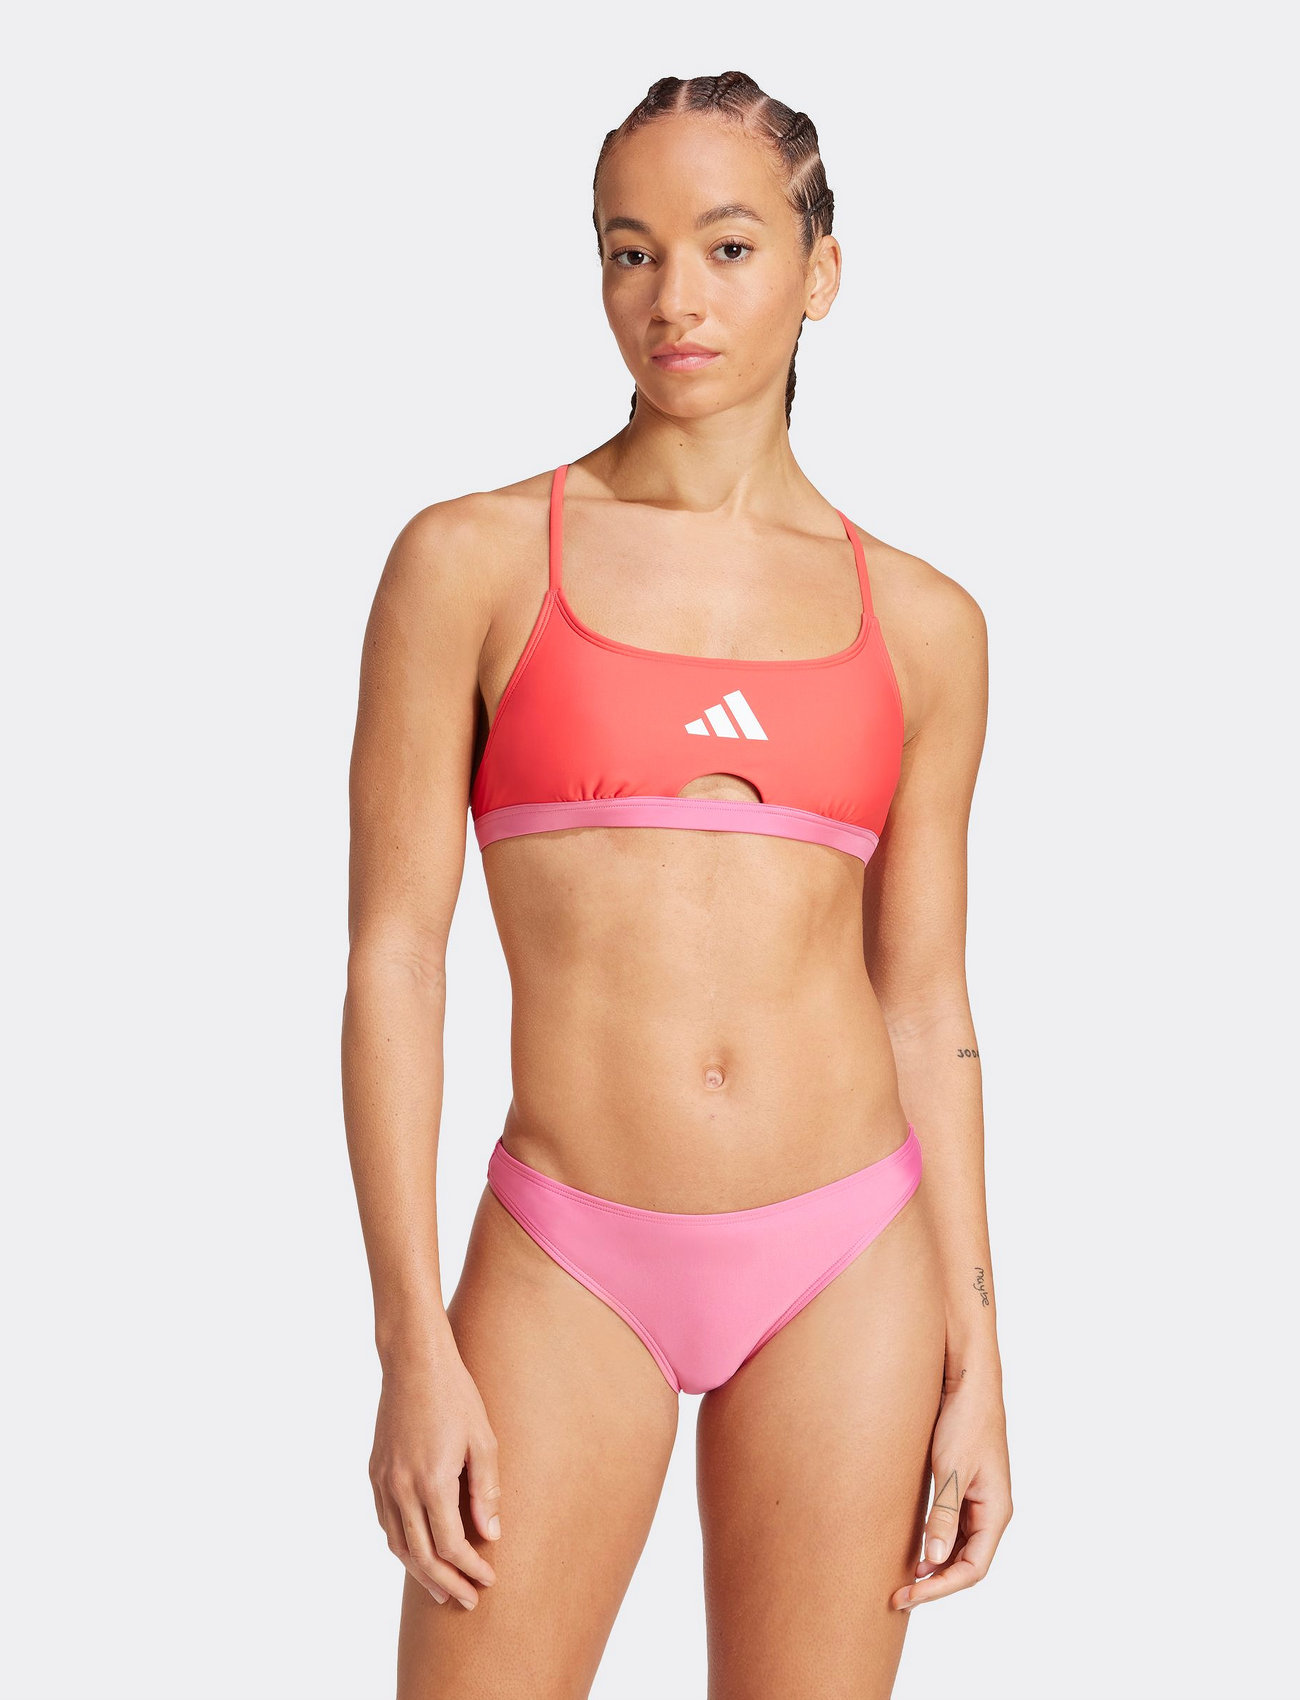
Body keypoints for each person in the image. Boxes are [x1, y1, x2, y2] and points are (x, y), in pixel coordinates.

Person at [342, 69, 1012, 1700]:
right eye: (629, 251)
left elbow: (925, 999)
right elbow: (396, 961)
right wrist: (410, 1342)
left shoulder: (926, 624)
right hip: (567, 1249)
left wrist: (979, 1353)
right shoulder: (473, 561)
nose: (673, 300)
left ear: (820, 270)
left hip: (851, 1258)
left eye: (726, 247)